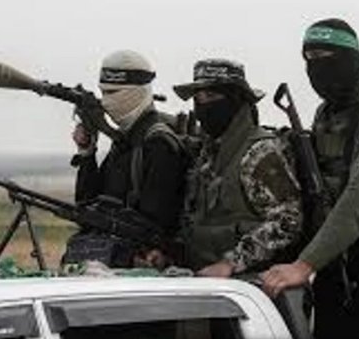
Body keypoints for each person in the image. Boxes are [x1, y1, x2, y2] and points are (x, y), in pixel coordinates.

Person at [262, 19, 359, 339]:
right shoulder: (326, 115)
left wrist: (304, 265)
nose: (316, 69)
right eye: (309, 59)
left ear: (350, 60)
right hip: (341, 251)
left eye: (325, 58)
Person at [173, 58, 303, 278]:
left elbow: (287, 222)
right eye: (198, 98)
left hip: (252, 285)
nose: (203, 105)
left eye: (211, 96)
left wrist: (231, 263)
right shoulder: (208, 153)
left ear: (235, 100)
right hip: (206, 280)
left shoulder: (259, 152)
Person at [63, 50, 187, 268]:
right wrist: (87, 153)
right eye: (103, 92)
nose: (106, 101)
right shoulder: (124, 141)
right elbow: (86, 205)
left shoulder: (159, 144)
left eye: (113, 92)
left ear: (137, 92)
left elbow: (155, 224)